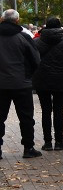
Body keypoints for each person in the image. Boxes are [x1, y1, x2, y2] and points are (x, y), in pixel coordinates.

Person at [0, 9, 41, 159]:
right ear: (17, 21)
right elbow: (35, 59)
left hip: (1, 85)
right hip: (21, 83)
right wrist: (28, 75)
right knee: (26, 117)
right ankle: (28, 148)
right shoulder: (23, 37)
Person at [32, 17, 63, 151]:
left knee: (45, 110)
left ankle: (47, 142)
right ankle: (59, 141)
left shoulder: (36, 42)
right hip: (61, 78)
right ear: (60, 27)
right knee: (58, 110)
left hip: (42, 79)